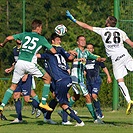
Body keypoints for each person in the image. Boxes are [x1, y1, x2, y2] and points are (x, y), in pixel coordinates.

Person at [66, 10, 133, 115]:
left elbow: (86, 26)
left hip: (116, 59)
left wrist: (74, 20)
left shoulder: (102, 30)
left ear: (107, 23)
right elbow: (132, 44)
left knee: (120, 80)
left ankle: (129, 100)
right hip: (125, 54)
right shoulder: (121, 32)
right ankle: (129, 101)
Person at [0, 19, 56, 114]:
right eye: (41, 28)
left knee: (13, 86)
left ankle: (2, 106)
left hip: (19, 63)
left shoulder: (25, 34)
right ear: (38, 28)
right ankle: (43, 102)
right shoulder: (41, 38)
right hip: (30, 64)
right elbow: (54, 51)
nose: (41, 30)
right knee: (47, 78)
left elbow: (9, 38)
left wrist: (3, 44)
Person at [37, 49, 85, 127]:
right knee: (60, 99)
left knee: (60, 100)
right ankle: (53, 118)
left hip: (59, 80)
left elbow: (37, 55)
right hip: (60, 80)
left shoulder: (51, 56)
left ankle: (52, 118)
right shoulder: (54, 56)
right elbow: (69, 65)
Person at [67, 35, 105, 123]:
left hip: (80, 78)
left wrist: (100, 59)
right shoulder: (76, 50)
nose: (83, 41)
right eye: (81, 40)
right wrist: (72, 53)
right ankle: (95, 118)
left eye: (84, 40)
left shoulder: (87, 52)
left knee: (76, 96)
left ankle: (64, 111)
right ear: (77, 42)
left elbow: (94, 57)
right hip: (75, 77)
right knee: (87, 96)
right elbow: (70, 57)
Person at [43, 33, 77, 125]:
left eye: (60, 39)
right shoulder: (56, 49)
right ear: (53, 41)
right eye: (58, 39)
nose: (60, 41)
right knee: (64, 96)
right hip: (53, 77)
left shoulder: (51, 50)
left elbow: (64, 60)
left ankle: (47, 116)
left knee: (57, 97)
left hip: (55, 76)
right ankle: (65, 120)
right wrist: (72, 54)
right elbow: (69, 57)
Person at [5, 40, 41, 123]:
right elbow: (16, 62)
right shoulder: (14, 49)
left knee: (27, 98)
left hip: (26, 74)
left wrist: (26, 73)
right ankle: (19, 118)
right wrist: (11, 68)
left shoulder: (25, 49)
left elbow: (28, 61)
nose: (19, 40)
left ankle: (41, 109)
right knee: (16, 95)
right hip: (18, 74)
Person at [85, 43, 112, 119]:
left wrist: (108, 76)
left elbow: (104, 67)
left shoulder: (97, 58)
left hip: (96, 80)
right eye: (88, 48)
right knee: (90, 97)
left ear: (93, 50)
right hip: (88, 81)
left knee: (94, 95)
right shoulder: (85, 59)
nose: (89, 49)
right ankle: (96, 111)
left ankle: (99, 113)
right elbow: (84, 71)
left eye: (91, 48)